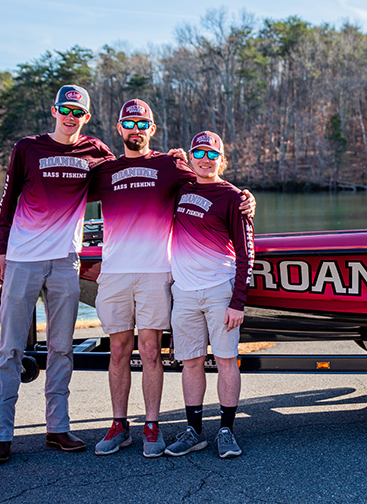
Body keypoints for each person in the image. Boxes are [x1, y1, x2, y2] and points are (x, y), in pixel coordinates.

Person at [89, 101, 254, 458]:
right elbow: (63, 195)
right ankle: (122, 425)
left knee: (153, 352)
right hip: (121, 273)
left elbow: (222, 198)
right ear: (119, 128)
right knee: (120, 351)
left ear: (152, 128)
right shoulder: (105, 171)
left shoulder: (171, 166)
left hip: (162, 275)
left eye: (142, 123)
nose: (136, 128)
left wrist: (247, 199)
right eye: (129, 122)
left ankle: (156, 426)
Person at [0, 85, 114, 466]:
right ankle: (0, 435)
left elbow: (130, 170)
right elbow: (7, 202)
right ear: (54, 110)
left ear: (86, 117)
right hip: (23, 260)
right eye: (65, 109)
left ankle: (57, 428)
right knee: (10, 348)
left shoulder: (94, 152)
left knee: (61, 348)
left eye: (79, 112)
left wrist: (171, 159)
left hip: (65, 262)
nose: (71, 116)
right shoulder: (28, 148)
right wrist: (1, 253)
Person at [164, 131, 254, 459]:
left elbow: (247, 253)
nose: (205, 159)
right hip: (184, 293)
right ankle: (194, 431)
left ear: (222, 159)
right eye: (199, 153)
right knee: (191, 362)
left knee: (227, 360)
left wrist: (237, 301)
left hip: (220, 292)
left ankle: (226, 430)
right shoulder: (180, 189)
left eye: (212, 154)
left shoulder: (233, 197)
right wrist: (171, 159)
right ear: (190, 157)